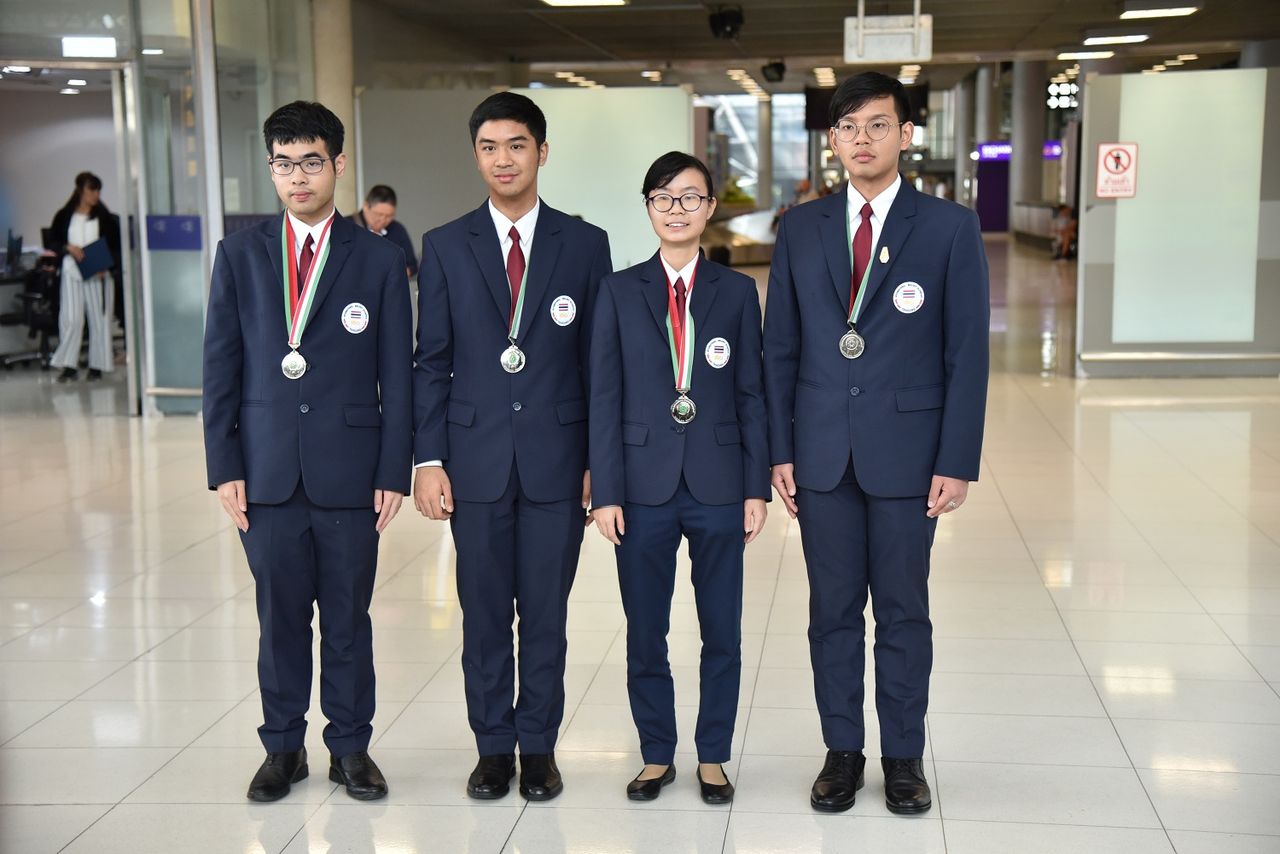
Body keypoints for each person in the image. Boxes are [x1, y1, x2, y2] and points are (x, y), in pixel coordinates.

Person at [762, 71, 989, 815]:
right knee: (831, 611)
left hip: (909, 456)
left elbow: (967, 354)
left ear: (906, 134)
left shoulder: (949, 228)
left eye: (878, 125)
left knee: (902, 611)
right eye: (849, 127)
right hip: (821, 454)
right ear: (833, 140)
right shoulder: (801, 228)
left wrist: (956, 459)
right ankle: (841, 752)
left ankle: (902, 757)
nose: (863, 140)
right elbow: (780, 349)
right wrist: (779, 449)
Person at [202, 100, 413, 804]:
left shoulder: (378, 259)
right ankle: (282, 747)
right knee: (280, 620)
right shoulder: (240, 255)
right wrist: (225, 466)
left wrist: (394, 469)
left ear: (338, 165)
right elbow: (220, 366)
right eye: (284, 164)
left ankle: (350, 747)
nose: (298, 177)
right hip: (265, 472)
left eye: (311, 162)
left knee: (347, 620)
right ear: (271, 169)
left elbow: (398, 375)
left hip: (351, 473)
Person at [412, 92, 611, 802]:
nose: (504, 159)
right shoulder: (445, 245)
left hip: (559, 463)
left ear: (542, 152)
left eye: (517, 145)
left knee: (547, 618)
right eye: (490, 147)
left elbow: (599, 364)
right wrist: (428, 459)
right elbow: (431, 360)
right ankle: (493, 747)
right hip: (476, 463)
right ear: (476, 156)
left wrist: (599, 462)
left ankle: (540, 748)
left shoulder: (583, 244)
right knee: (486, 614)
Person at [589, 151, 768, 805]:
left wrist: (755, 487)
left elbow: (752, 394)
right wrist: (606, 492)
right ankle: (656, 753)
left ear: (710, 208)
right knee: (646, 631)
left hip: (719, 481)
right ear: (648, 208)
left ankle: (713, 755)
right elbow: (603, 397)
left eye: (690, 197)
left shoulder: (736, 293)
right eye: (663, 198)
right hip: (641, 488)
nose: (677, 209)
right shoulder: (618, 291)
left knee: (722, 630)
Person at [47, 171, 121, 382]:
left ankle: (97, 365)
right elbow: (52, 242)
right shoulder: (64, 216)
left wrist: (107, 266)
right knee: (71, 318)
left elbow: (115, 246)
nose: (96, 194)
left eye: (98, 190)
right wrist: (67, 248)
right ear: (81, 190)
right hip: (72, 272)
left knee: (99, 319)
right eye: (92, 190)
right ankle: (68, 364)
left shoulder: (104, 217)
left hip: (98, 273)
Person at [351, 184, 419, 279]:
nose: (383, 220)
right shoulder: (348, 226)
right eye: (378, 214)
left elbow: (412, 265)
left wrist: (394, 274)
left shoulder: (397, 229)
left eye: (389, 216)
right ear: (366, 206)